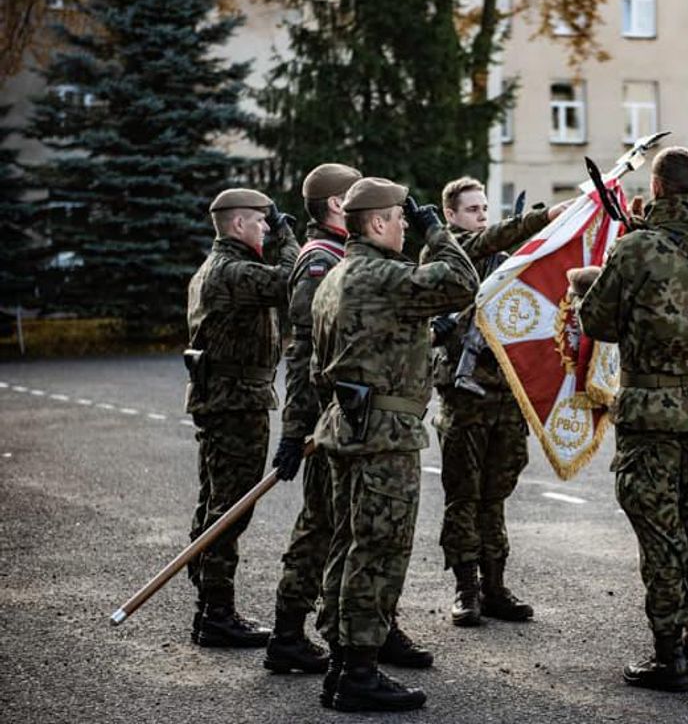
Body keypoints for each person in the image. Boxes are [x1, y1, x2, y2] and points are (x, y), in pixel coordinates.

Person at [578, 146, 688, 692]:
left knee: (661, 536)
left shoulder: (634, 249)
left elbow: (599, 322)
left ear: (655, 189)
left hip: (652, 413)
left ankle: (667, 656)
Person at [309, 177, 478, 712]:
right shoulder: (382, 274)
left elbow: (323, 367)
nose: (408, 224)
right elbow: (461, 281)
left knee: (348, 544)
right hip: (384, 435)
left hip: (348, 425)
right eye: (402, 217)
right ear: (377, 222)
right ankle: (358, 672)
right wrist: (438, 233)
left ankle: (342, 664)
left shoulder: (336, 277)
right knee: (378, 550)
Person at [428, 176, 567, 627]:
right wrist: (538, 221)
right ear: (450, 215)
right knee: (463, 496)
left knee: (496, 494)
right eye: (472, 209)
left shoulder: (506, 263)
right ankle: (465, 589)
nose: (482, 216)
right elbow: (480, 244)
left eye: (485, 208)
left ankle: (494, 586)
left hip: (506, 396)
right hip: (464, 398)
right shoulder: (445, 257)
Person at [264, 163, 380, 674]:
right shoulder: (320, 260)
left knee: (355, 528)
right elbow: (304, 349)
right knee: (321, 527)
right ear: (337, 204)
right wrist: (295, 431)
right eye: (353, 192)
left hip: (353, 415)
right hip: (326, 420)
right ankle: (288, 633)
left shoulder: (348, 254)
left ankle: (371, 628)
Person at [184, 188, 299, 647]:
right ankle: (216, 612)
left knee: (217, 501)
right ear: (237, 225)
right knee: (230, 508)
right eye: (261, 222)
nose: (267, 228)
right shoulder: (231, 271)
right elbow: (291, 281)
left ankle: (210, 604)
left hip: (228, 399)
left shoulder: (221, 268)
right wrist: (291, 238)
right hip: (236, 402)